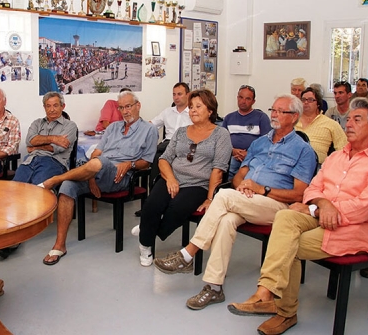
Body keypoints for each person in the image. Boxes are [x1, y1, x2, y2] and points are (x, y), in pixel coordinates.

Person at [228, 98, 368, 335]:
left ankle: (284, 311)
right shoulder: (337, 157)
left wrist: (318, 209)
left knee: (290, 244)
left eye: (356, 120)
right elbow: (312, 189)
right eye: (347, 119)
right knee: (286, 218)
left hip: (354, 230)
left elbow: (363, 209)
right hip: (320, 216)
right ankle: (266, 291)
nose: (348, 124)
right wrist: (321, 204)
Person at [153, 94, 317, 311]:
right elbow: (239, 175)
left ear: (294, 117)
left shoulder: (303, 150)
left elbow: (298, 194)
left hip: (275, 205)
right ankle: (214, 287)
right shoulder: (260, 143)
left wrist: (263, 189)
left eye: (280, 111)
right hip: (246, 198)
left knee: (223, 196)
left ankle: (188, 253)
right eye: (273, 110)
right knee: (226, 220)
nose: (274, 115)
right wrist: (242, 187)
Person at [40, 91, 158, 265]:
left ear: (138, 106)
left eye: (128, 106)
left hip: (120, 177)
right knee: (67, 186)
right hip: (96, 174)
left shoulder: (149, 130)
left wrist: (130, 164)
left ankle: (54, 179)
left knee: (97, 163)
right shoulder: (112, 128)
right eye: (121, 108)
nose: (125, 111)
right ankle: (59, 245)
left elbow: (147, 162)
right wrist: (91, 178)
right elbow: (96, 153)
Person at [133, 89, 232, 267]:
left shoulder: (221, 135)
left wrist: (211, 198)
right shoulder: (180, 132)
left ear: (210, 110)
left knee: (177, 208)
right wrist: (170, 179)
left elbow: (218, 170)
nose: (192, 110)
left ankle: (148, 230)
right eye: (191, 106)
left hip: (198, 184)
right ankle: (145, 246)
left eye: (198, 106)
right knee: (151, 205)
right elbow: (164, 159)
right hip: (173, 177)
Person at [0, 92, 78, 259]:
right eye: (48, 106)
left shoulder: (70, 125)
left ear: (63, 106)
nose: (52, 109)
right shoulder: (36, 123)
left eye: (56, 105)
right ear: (44, 108)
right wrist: (53, 138)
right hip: (30, 161)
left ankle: (16, 239)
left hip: (53, 163)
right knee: (14, 191)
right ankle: (11, 232)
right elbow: (29, 141)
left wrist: (39, 145)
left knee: (35, 192)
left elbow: (60, 148)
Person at [222, 85, 271, 178]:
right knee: (228, 169)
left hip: (254, 156)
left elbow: (267, 142)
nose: (243, 101)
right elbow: (222, 141)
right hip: (232, 155)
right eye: (241, 97)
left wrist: (249, 154)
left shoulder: (261, 117)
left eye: (247, 99)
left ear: (253, 101)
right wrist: (232, 151)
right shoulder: (229, 117)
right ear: (237, 98)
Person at [295, 87, 347, 164]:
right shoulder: (292, 121)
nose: (306, 102)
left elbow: (344, 149)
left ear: (318, 104)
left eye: (310, 100)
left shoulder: (331, 124)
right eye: (303, 100)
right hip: (290, 162)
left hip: (316, 167)